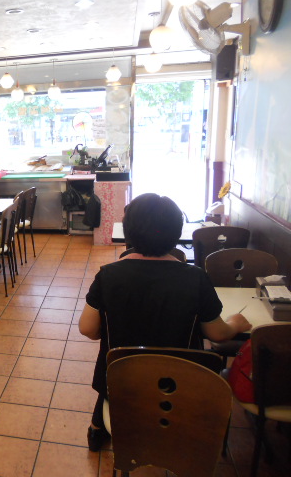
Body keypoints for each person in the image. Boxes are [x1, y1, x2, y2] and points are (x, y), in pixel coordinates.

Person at [78, 193, 252, 452]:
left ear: (129, 233)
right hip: (179, 386)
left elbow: (88, 329)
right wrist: (235, 324)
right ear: (176, 234)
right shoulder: (196, 278)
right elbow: (217, 333)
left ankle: (97, 428)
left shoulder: (108, 275)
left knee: (116, 356)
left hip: (122, 383)